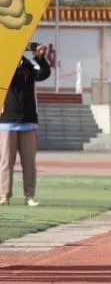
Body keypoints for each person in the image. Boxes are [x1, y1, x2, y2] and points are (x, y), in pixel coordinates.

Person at [0, 42, 51, 206]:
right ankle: (4, 196)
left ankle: (29, 196)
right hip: (7, 121)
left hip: (28, 121)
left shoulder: (29, 66)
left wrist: (40, 58)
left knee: (29, 162)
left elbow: (43, 74)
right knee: (6, 161)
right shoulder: (3, 65)